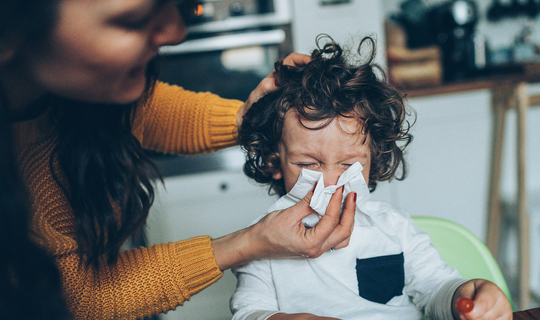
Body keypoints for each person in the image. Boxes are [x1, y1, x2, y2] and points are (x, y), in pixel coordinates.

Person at [0, 0, 356, 319]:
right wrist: (250, 242)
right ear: (9, 31)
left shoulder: (82, 95)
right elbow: (76, 297)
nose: (176, 31)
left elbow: (151, 112)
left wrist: (254, 120)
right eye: (133, 19)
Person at [231, 36, 513, 320]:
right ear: (273, 160)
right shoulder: (260, 241)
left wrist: (466, 296)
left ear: (373, 158)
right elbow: (248, 313)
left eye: (348, 164)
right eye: (307, 163)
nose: (330, 182)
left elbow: (435, 289)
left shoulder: (393, 228)